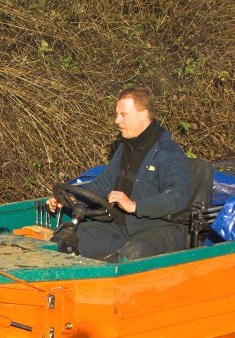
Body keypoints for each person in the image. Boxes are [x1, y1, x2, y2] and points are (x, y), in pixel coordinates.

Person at [47, 86, 190, 261]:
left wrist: (135, 205)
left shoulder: (168, 152)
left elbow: (178, 196)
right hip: (119, 226)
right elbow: (102, 184)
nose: (117, 120)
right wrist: (71, 197)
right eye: (117, 114)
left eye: (123, 115)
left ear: (143, 115)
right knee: (63, 240)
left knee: (131, 254)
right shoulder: (125, 147)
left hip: (155, 228)